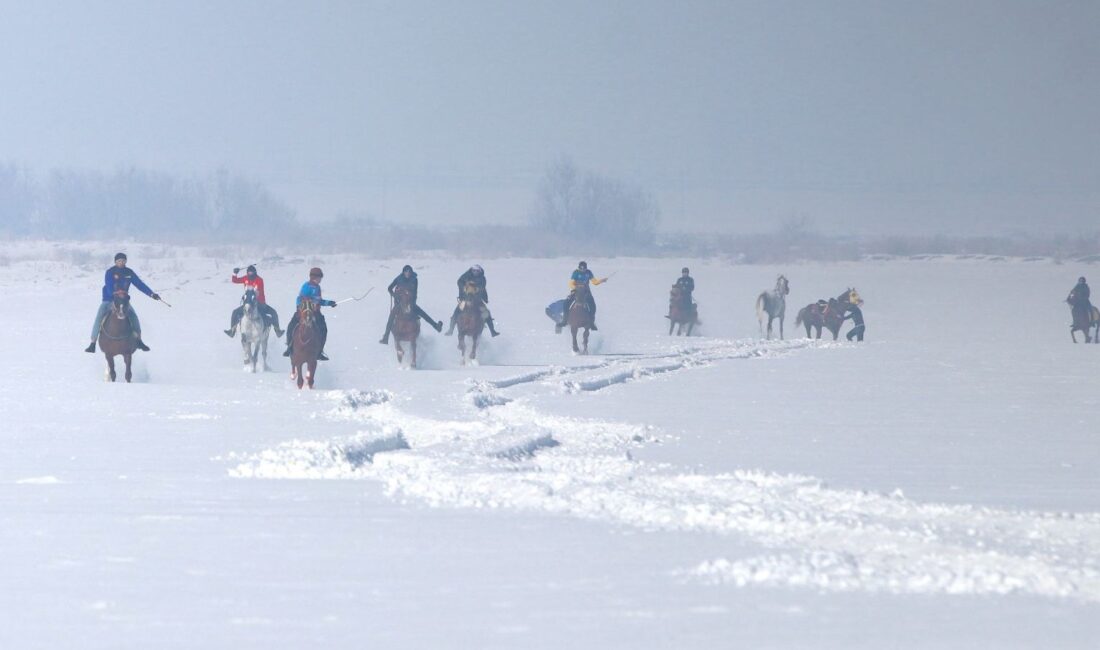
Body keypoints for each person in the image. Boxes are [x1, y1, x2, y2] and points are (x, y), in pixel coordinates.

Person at [85, 252, 161, 353]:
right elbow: (108, 286)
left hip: (123, 301)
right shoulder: (110, 272)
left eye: (123, 261)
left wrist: (151, 294)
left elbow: (139, 284)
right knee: (99, 317)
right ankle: (92, 343)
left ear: (125, 261)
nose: (121, 262)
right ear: (115, 262)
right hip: (109, 299)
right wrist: (115, 294)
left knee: (133, 316)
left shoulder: (129, 273)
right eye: (119, 261)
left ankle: (139, 341)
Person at [379, 265, 443, 344]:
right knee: (391, 317)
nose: (408, 273)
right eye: (406, 271)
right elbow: (389, 288)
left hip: (411, 302)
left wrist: (412, 303)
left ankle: (436, 326)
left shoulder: (414, 279)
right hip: (399, 303)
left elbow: (415, 293)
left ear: (411, 272)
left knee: (422, 313)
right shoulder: (399, 278)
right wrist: (395, 296)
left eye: (409, 272)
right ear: (403, 272)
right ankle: (386, 337)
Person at [283, 267, 335, 361]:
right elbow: (301, 299)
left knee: (324, 329)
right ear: (314, 277)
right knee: (291, 325)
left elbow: (319, 301)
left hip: (316, 313)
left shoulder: (318, 287)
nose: (320, 279)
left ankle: (319, 351)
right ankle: (289, 347)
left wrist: (329, 303)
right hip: (305, 311)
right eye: (320, 277)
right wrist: (304, 307)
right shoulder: (306, 286)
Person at [225, 265, 284, 338]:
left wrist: (251, 295)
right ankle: (232, 331)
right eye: (248, 273)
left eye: (251, 273)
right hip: (247, 303)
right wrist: (235, 273)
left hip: (260, 303)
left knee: (273, 313)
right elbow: (235, 280)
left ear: (255, 273)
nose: (250, 274)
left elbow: (257, 292)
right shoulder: (245, 278)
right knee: (235, 312)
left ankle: (277, 331)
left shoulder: (259, 280)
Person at [445, 264, 500, 337]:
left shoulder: (482, 278)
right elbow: (459, 281)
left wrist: (475, 289)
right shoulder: (467, 275)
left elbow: (482, 287)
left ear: (480, 271)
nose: (475, 272)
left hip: (477, 300)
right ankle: (450, 330)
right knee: (457, 312)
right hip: (465, 299)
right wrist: (464, 287)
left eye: (477, 271)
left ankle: (492, 331)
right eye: (474, 270)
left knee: (486, 312)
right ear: (471, 270)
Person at [561, 261, 607, 330]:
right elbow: (571, 283)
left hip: (586, 292)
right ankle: (564, 320)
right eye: (581, 268)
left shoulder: (588, 272)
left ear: (586, 268)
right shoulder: (576, 272)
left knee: (593, 306)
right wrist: (575, 288)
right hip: (576, 291)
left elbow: (595, 282)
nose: (582, 270)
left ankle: (591, 323)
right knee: (566, 303)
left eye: (584, 269)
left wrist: (601, 281)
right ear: (579, 268)